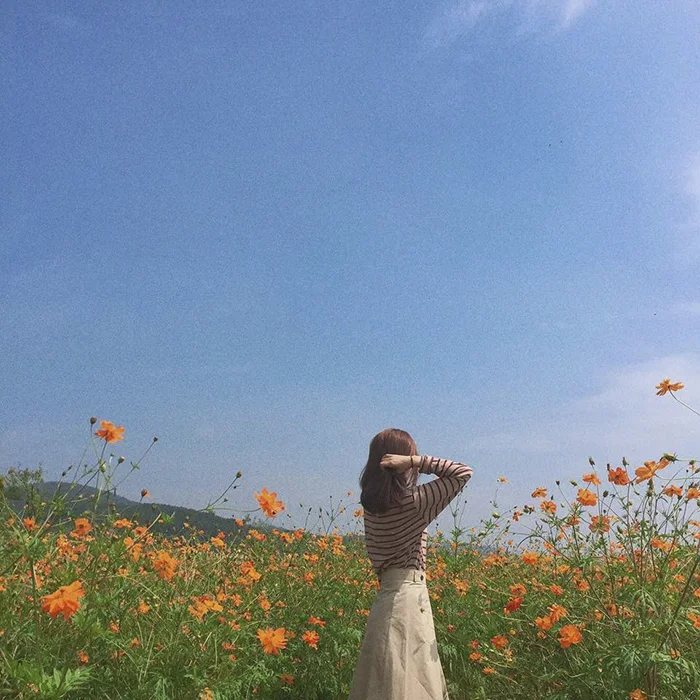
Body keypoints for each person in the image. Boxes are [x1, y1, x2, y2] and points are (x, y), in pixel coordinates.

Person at [348, 428, 473, 700]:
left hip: (386, 601)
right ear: (398, 461)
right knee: (410, 687)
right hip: (408, 602)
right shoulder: (413, 502)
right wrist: (415, 462)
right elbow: (463, 472)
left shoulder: (372, 507)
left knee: (382, 685)